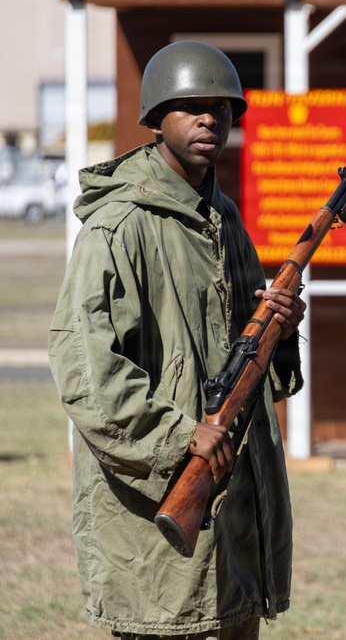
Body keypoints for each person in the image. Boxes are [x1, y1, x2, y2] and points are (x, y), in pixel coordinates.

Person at [48, 41, 305, 639]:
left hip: (235, 521)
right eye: (190, 105)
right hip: (154, 518)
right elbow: (88, 373)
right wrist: (181, 436)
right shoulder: (118, 228)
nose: (210, 118)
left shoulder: (227, 223)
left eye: (221, 107)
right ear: (156, 119)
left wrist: (280, 333)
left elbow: (251, 367)